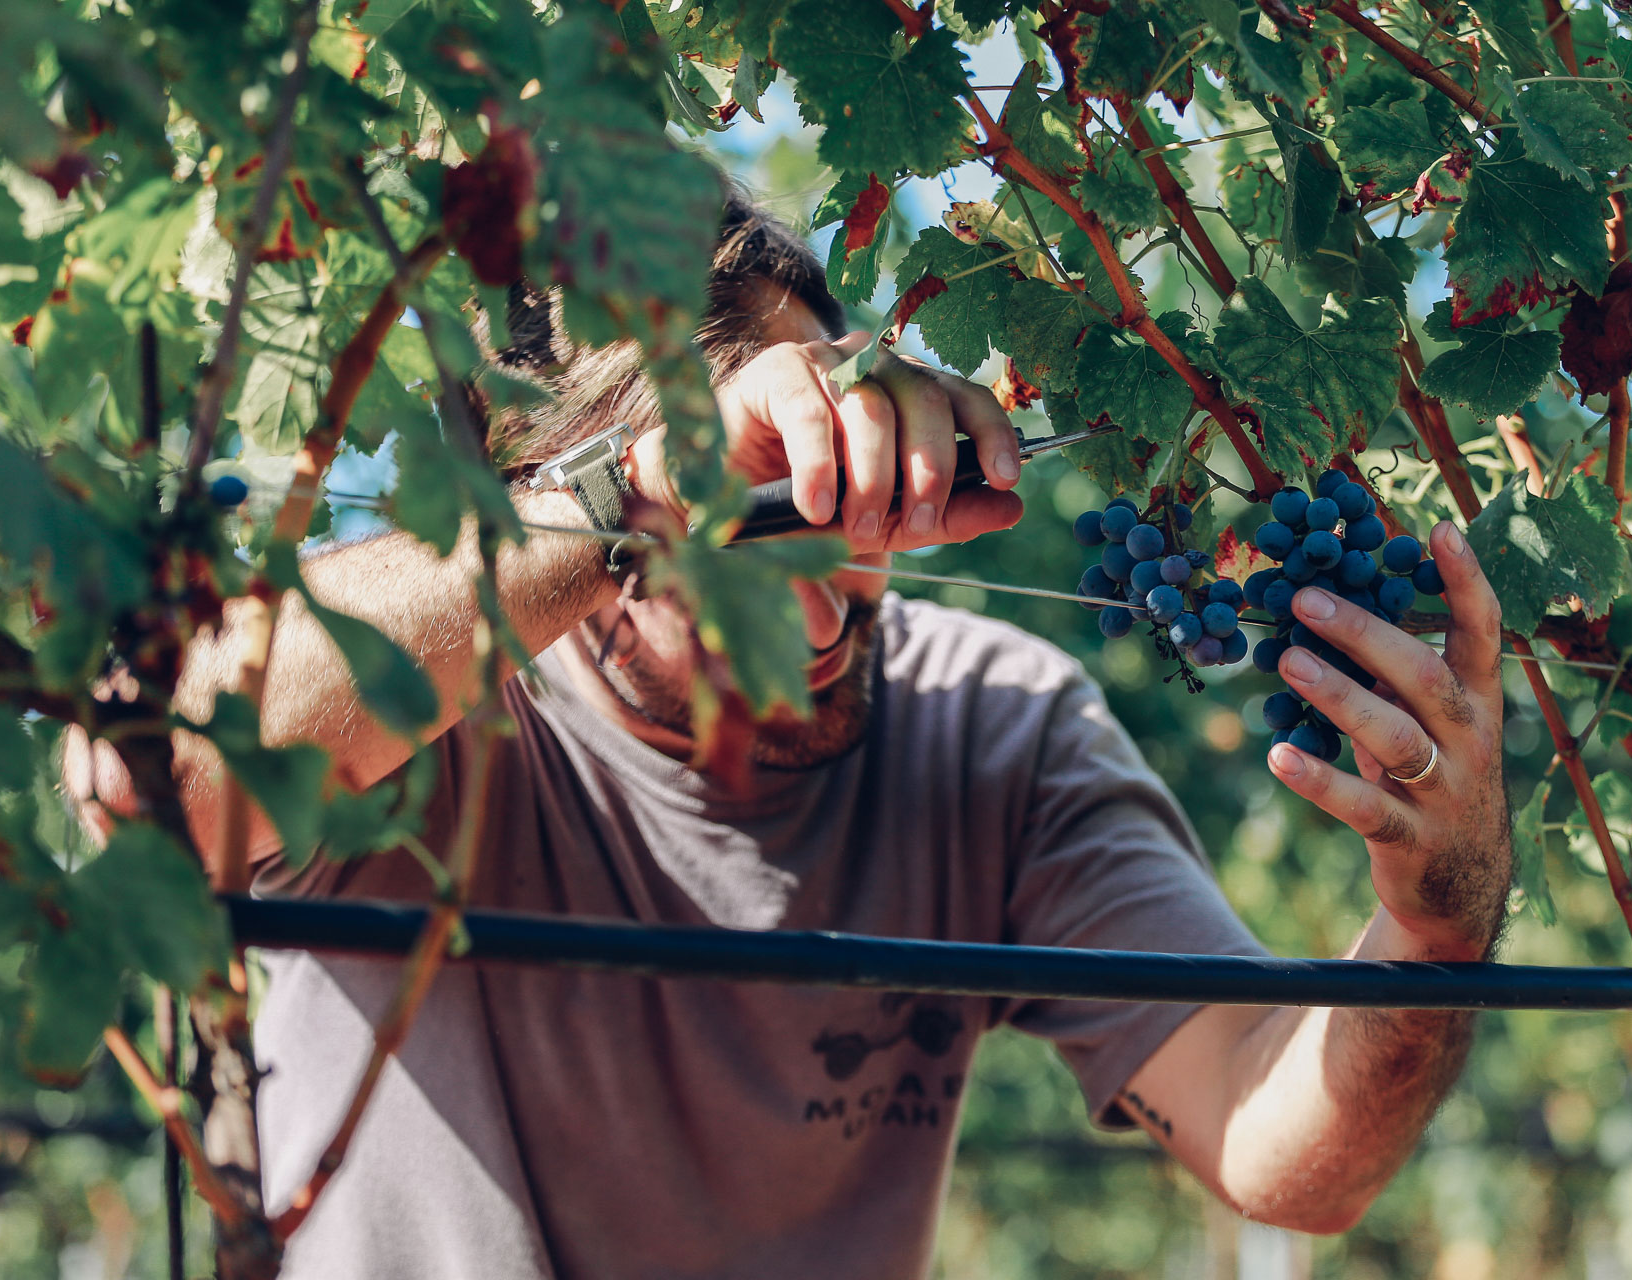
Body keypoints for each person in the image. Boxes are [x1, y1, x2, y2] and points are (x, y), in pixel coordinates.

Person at [162, 190, 1511, 1278]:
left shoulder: (999, 733)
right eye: (752, 506)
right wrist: (639, 494)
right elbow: (161, 768)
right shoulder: (417, 719)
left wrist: (1436, 930)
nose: (821, 585)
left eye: (825, 482)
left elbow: (1280, 1143)